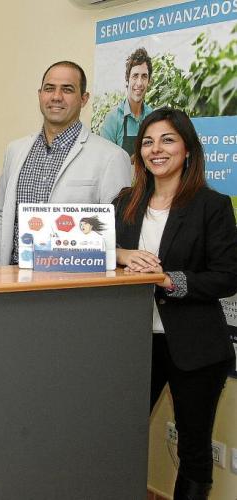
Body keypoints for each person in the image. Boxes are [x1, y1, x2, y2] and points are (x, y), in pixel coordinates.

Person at [113, 108, 237, 500]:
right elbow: (91, 253)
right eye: (148, 142)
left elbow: (227, 276)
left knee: (194, 450)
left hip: (196, 348)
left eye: (167, 140)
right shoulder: (124, 203)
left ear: (187, 149)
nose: (156, 149)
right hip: (135, 342)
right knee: (115, 435)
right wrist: (121, 254)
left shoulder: (212, 206)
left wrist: (168, 280)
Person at [0, 61, 132, 266]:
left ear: (84, 99)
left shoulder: (112, 157)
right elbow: (0, 214)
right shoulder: (15, 150)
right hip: (12, 277)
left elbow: (119, 232)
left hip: (73, 281)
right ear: (40, 95)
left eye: (67, 89)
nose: (56, 96)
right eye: (49, 89)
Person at [100, 47, 153, 156]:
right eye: (135, 76)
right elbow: (105, 160)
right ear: (127, 79)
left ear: (149, 81)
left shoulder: (152, 116)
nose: (139, 83)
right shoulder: (113, 119)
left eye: (144, 77)